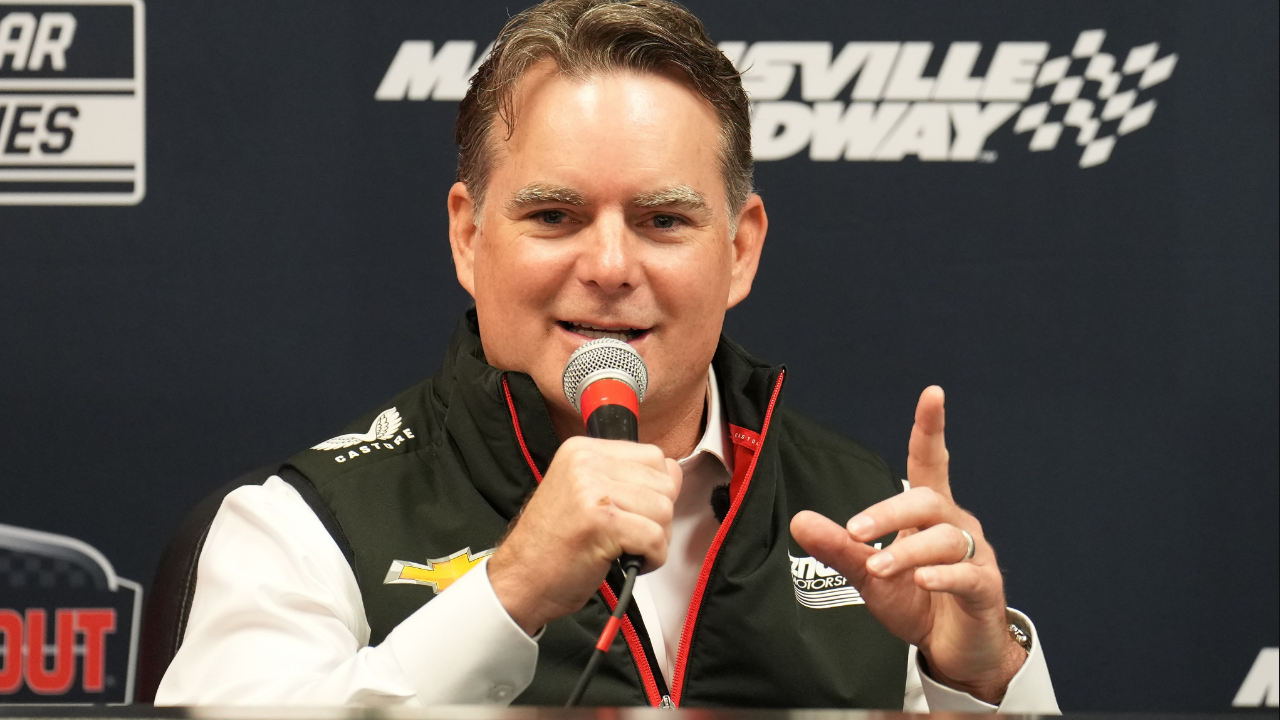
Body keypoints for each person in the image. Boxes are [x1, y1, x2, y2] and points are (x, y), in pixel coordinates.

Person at [157, 0, 1058, 711]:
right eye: (555, 216)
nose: (612, 266)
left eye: (665, 221)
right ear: (469, 238)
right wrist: (505, 595)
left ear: (739, 249)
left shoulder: (872, 525)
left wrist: (980, 677)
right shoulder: (303, 526)